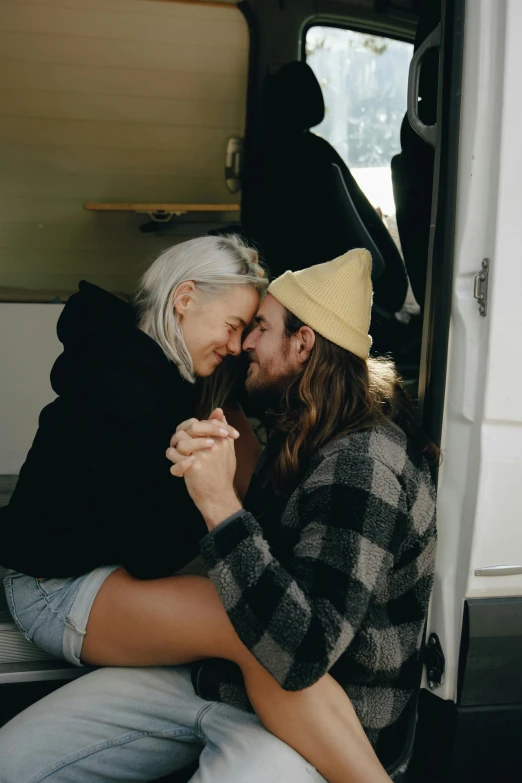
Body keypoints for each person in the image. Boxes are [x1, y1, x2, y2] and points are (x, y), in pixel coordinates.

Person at [0, 243, 399, 783]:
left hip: (101, 565)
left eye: (251, 330)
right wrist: (209, 495)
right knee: (255, 630)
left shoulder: (155, 365)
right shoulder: (124, 394)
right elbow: (150, 556)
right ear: (185, 298)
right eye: (235, 325)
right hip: (54, 586)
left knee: (258, 617)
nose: (239, 346)